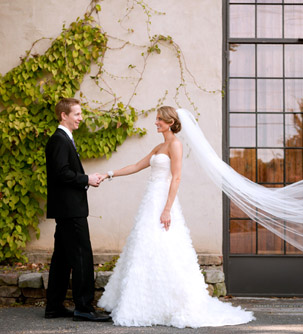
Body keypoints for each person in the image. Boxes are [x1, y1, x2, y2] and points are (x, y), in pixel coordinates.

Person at [97, 106, 254, 328]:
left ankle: (171, 304)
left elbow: (176, 178)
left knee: (165, 246)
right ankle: (143, 301)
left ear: (170, 122)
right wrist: (109, 174)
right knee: (144, 245)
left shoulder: (175, 145)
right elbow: (136, 166)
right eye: (157, 119)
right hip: (150, 200)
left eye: (160, 119)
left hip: (163, 201)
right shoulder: (159, 146)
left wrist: (167, 208)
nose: (156, 122)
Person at [44, 98, 110, 322]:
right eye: (77, 114)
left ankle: (53, 306)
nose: (81, 118)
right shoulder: (60, 140)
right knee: (82, 256)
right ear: (64, 115)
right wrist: (86, 179)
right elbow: (61, 172)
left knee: (62, 258)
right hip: (70, 210)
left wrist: (84, 179)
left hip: (66, 209)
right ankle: (84, 307)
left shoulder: (63, 139)